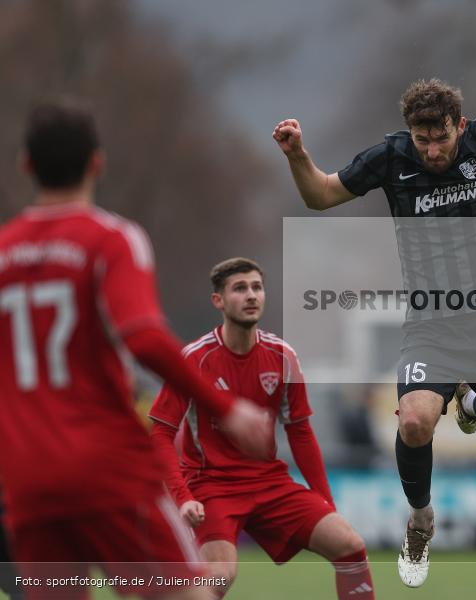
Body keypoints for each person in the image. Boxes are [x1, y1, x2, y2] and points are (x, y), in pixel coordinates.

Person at [273, 52, 476, 587]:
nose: (433, 150)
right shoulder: (392, 158)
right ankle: (420, 519)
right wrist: (297, 155)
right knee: (415, 421)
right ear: (409, 134)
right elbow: (322, 194)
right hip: (432, 325)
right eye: (423, 141)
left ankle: (472, 399)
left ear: (458, 126)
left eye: (441, 137)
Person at [0, 98, 272, 599]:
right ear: (97, 163)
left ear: (26, 166)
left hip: (25, 475)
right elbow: (143, 335)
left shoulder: (4, 251)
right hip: (106, 468)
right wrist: (226, 408)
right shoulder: (111, 239)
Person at [149, 258, 374, 600]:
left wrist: (325, 499)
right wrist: (183, 497)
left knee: (350, 546)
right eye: (240, 288)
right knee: (218, 577)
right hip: (211, 487)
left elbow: (300, 431)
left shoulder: (283, 356)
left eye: (257, 287)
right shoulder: (194, 359)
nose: (251, 295)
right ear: (219, 301)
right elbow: (160, 433)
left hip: (268, 481)